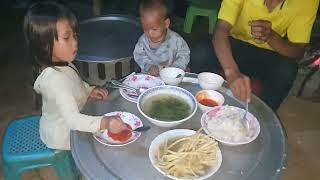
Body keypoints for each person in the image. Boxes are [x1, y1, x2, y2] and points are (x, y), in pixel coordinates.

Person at [24, 1, 128, 150]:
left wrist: (88, 89)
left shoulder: (62, 62)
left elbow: (74, 81)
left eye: (75, 35)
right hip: (63, 135)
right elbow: (74, 121)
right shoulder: (55, 80)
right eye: (67, 38)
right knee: (104, 146)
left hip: (69, 119)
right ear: (45, 45)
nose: (75, 42)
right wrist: (106, 122)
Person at [193, 0, 319, 111]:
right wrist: (231, 71)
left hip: (269, 54)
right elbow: (221, 29)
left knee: (287, 70)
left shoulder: (308, 1)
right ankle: (198, 105)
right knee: (201, 51)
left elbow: (298, 51)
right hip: (235, 44)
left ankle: (260, 117)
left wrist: (271, 37)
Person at [134, 0, 190, 76]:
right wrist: (149, 66)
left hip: (170, 76)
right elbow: (138, 55)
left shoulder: (175, 39)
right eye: (145, 28)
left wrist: (178, 66)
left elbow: (184, 53)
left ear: (166, 24)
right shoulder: (143, 40)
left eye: (154, 29)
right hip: (150, 77)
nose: (149, 33)